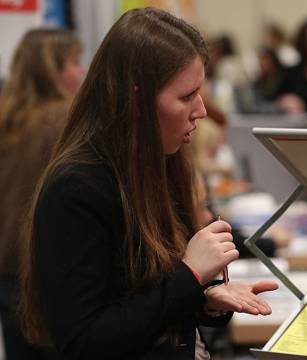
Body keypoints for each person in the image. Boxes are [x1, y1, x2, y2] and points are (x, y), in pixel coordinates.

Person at [19, 8, 278, 359]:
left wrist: (202, 298)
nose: (201, 109)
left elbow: (148, 297)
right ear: (136, 99)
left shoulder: (160, 164)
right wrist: (189, 278)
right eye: (187, 96)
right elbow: (84, 341)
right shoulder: (76, 188)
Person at [0, 28, 83, 360]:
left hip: (6, 272)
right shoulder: (64, 119)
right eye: (75, 62)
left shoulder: (7, 120)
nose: (82, 71)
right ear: (53, 69)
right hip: (47, 273)